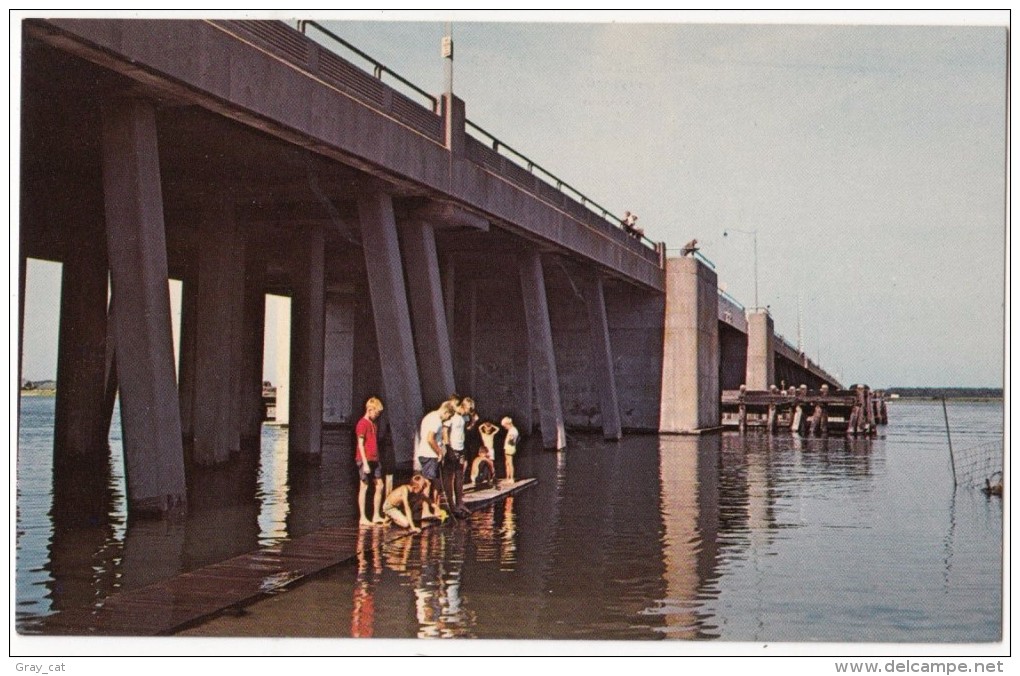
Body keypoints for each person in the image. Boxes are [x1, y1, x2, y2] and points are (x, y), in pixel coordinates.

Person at [443, 396, 477, 518]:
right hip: (452, 449)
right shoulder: (452, 415)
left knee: (460, 476)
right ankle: (451, 504)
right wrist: (448, 448)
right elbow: (445, 431)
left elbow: (467, 429)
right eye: (469, 409)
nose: (469, 412)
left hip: (461, 448)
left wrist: (473, 421)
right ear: (464, 406)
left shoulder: (464, 417)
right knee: (450, 477)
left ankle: (460, 502)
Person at [355, 397, 385, 526]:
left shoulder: (374, 424)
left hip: (374, 458)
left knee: (380, 485)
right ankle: (362, 517)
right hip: (364, 459)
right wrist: (365, 463)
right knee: (364, 486)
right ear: (370, 410)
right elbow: (360, 444)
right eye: (376, 413)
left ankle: (376, 515)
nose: (377, 416)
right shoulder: (362, 424)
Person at [416, 400, 457, 495]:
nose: (448, 419)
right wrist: (439, 452)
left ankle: (435, 507)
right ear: (446, 412)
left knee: (436, 482)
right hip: (429, 454)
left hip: (427, 453)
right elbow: (430, 439)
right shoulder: (436, 420)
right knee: (428, 482)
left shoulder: (430, 415)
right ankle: (426, 508)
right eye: (449, 416)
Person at [501, 416, 520, 485]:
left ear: (508, 424)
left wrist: (510, 439)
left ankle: (511, 478)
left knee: (510, 463)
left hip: (510, 448)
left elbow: (512, 438)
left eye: (505, 426)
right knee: (507, 463)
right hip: (508, 447)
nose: (505, 427)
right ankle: (508, 478)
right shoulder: (512, 430)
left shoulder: (513, 430)